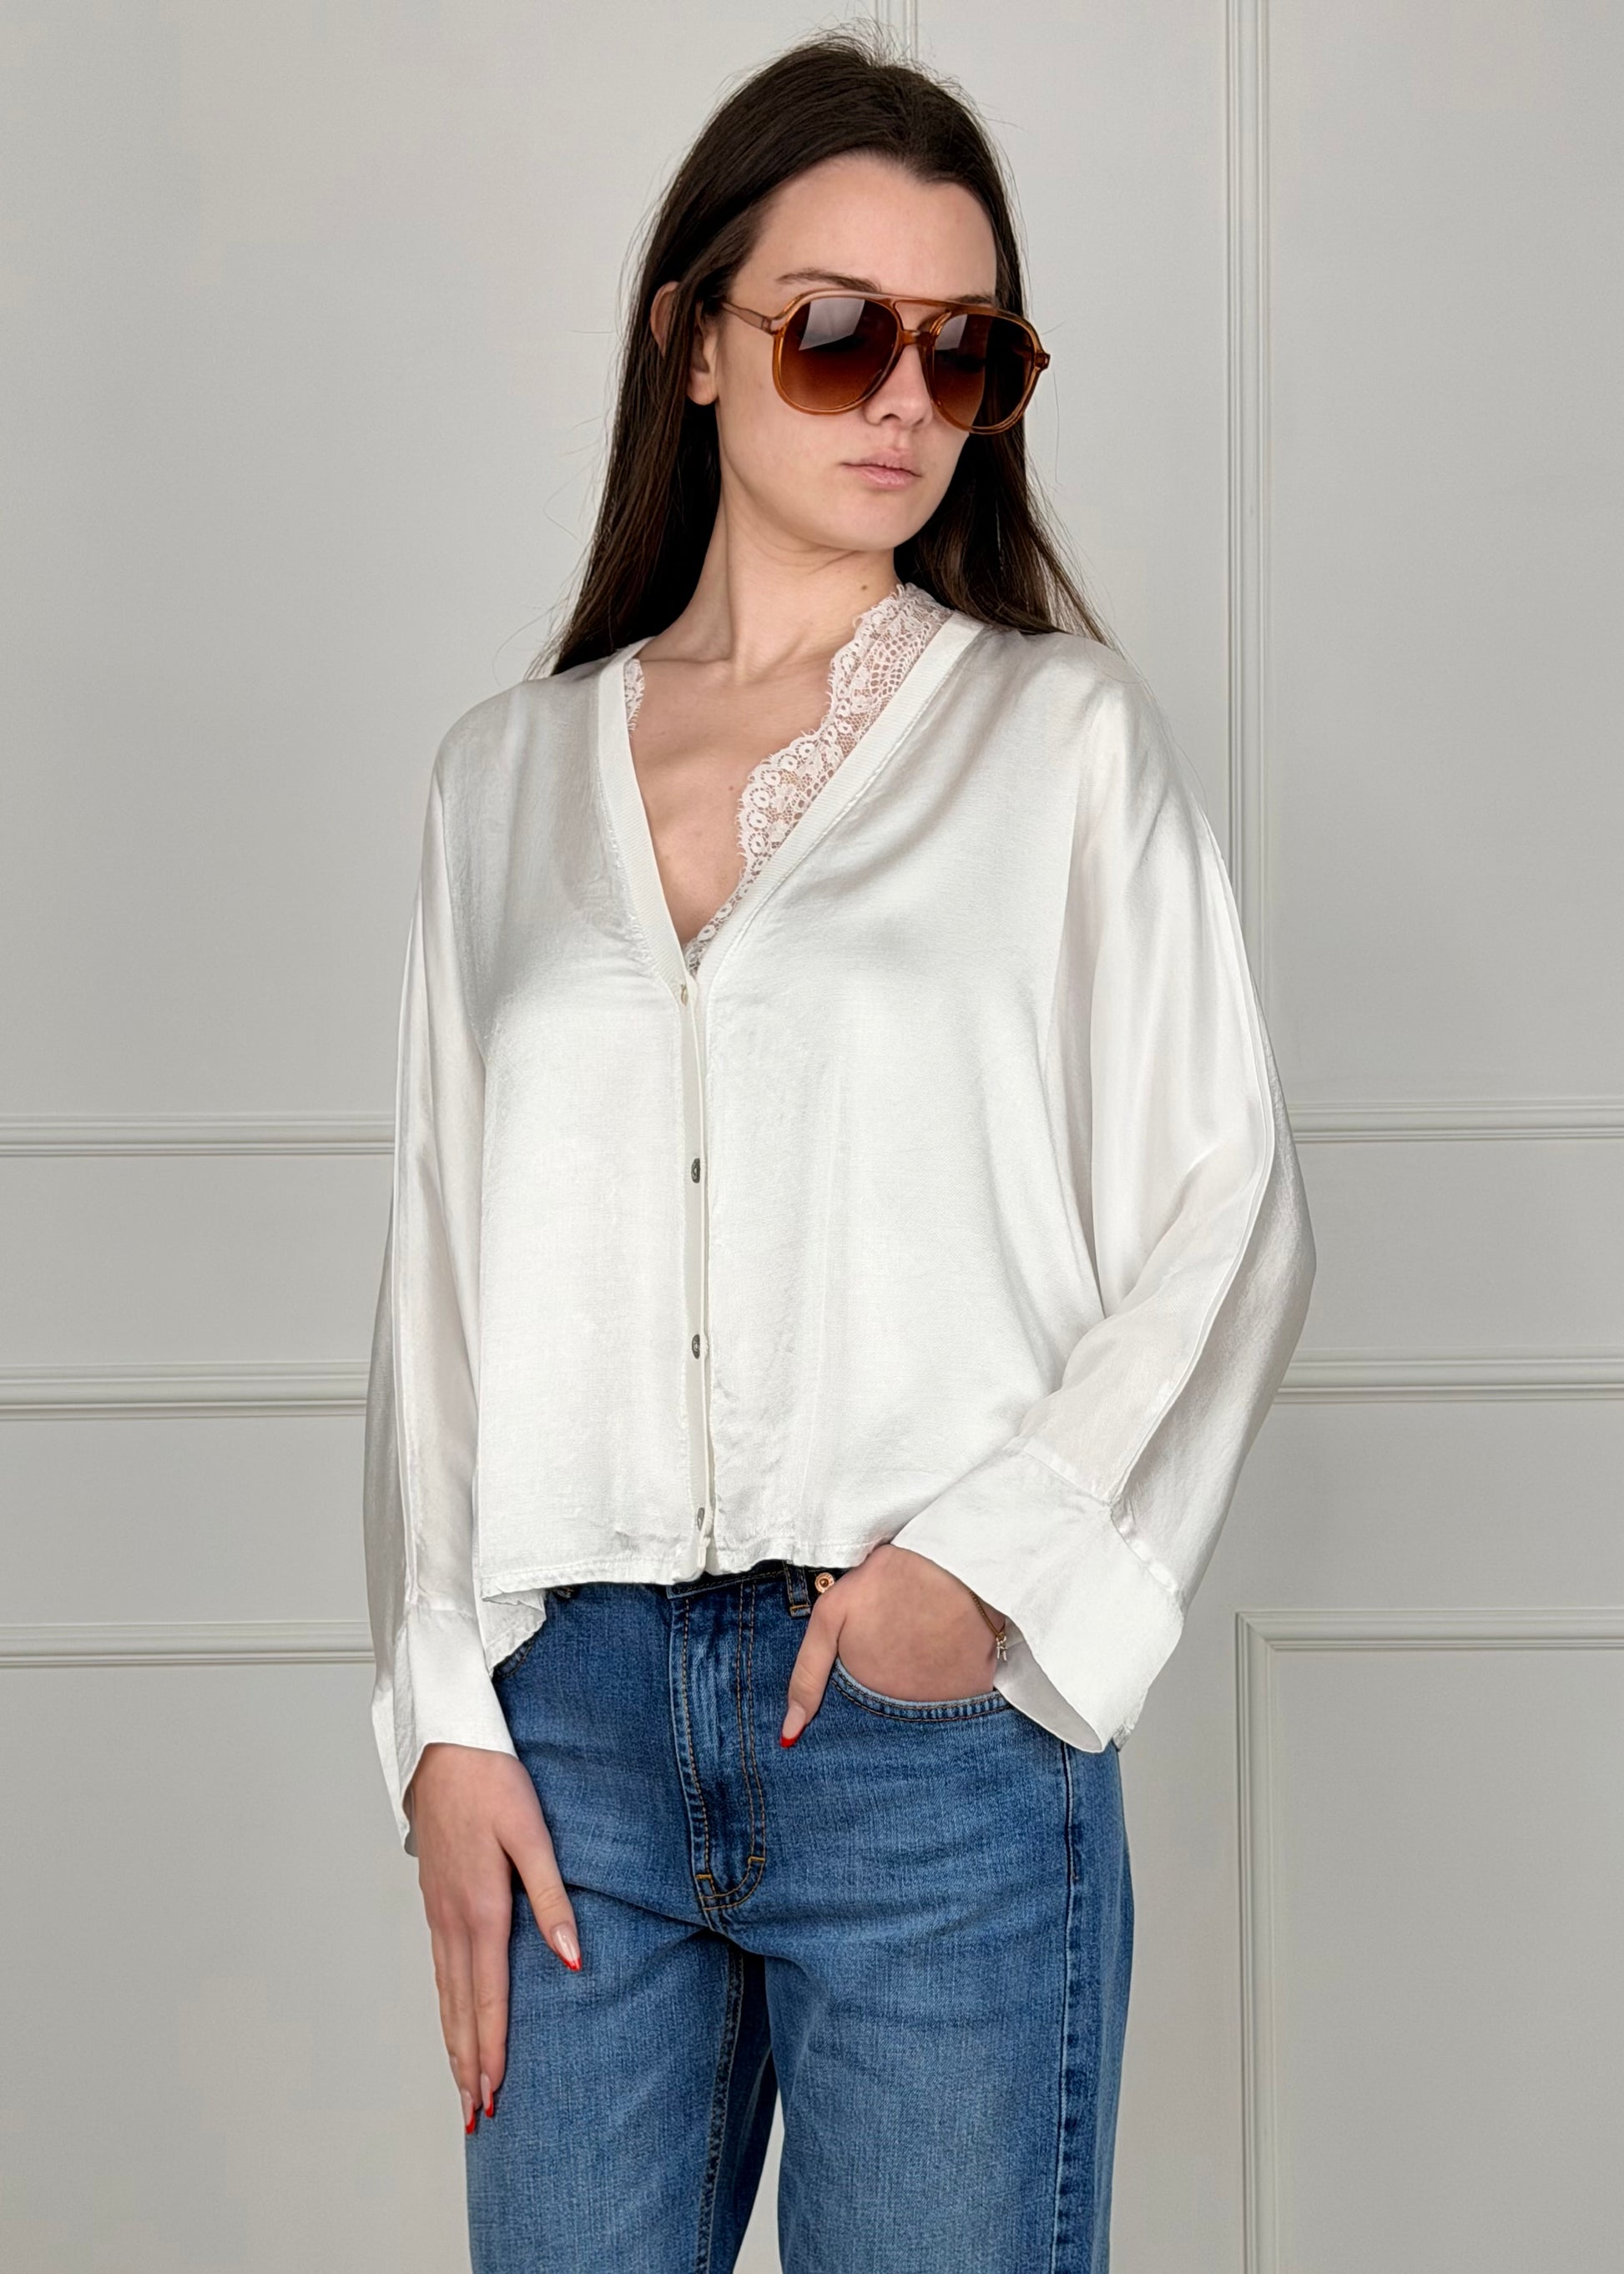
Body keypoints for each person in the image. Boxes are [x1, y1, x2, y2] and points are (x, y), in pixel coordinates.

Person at [361, 27, 1315, 2274]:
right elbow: (438, 1289)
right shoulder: (500, 780)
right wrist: (436, 1722)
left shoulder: (1060, 743)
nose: (901, 394)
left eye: (961, 349)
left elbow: (1230, 1211)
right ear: (695, 342)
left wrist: (980, 1574)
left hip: (917, 1733)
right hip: (565, 1741)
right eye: (834, 332)